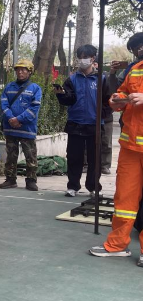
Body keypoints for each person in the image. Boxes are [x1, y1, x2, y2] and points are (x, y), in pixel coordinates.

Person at [89, 33, 143, 267]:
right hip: (130, 147)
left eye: (140, 46)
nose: (138, 51)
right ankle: (117, 245)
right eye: (135, 48)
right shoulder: (136, 69)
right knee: (124, 199)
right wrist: (116, 100)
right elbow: (121, 92)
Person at [54, 44, 110, 197]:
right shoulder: (71, 79)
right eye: (80, 57)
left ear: (93, 59)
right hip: (75, 124)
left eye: (85, 57)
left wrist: (102, 115)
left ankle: (93, 187)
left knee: (95, 159)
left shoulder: (102, 79)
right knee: (74, 157)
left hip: (95, 125)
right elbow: (68, 100)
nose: (82, 60)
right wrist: (60, 94)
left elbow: (108, 100)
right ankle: (73, 186)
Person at [0, 59, 42, 191]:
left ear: (30, 72)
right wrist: (11, 118)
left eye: (24, 70)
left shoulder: (35, 88)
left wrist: (19, 119)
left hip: (27, 129)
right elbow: (3, 104)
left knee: (31, 156)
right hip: (10, 128)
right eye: (18, 69)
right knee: (11, 155)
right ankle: (10, 179)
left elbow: (34, 107)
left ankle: (31, 181)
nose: (20, 72)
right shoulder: (9, 87)